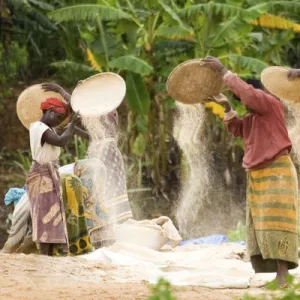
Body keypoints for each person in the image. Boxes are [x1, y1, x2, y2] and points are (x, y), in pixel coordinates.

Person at [202, 57, 298, 288]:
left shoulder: (270, 104)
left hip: (276, 172)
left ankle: (283, 278)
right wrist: (226, 107)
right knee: (265, 224)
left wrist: (224, 71)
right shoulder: (255, 117)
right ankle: (279, 276)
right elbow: (237, 129)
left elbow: (248, 94)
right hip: (260, 175)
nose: (244, 100)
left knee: (278, 223)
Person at [26, 97, 81, 256]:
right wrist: (71, 125)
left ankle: (49, 258)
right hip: (42, 177)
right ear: (49, 112)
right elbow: (61, 141)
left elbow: (65, 118)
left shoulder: (47, 128)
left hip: (48, 176)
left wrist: (71, 97)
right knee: (45, 220)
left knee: (52, 220)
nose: (58, 121)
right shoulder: (39, 128)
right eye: (57, 117)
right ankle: (45, 258)